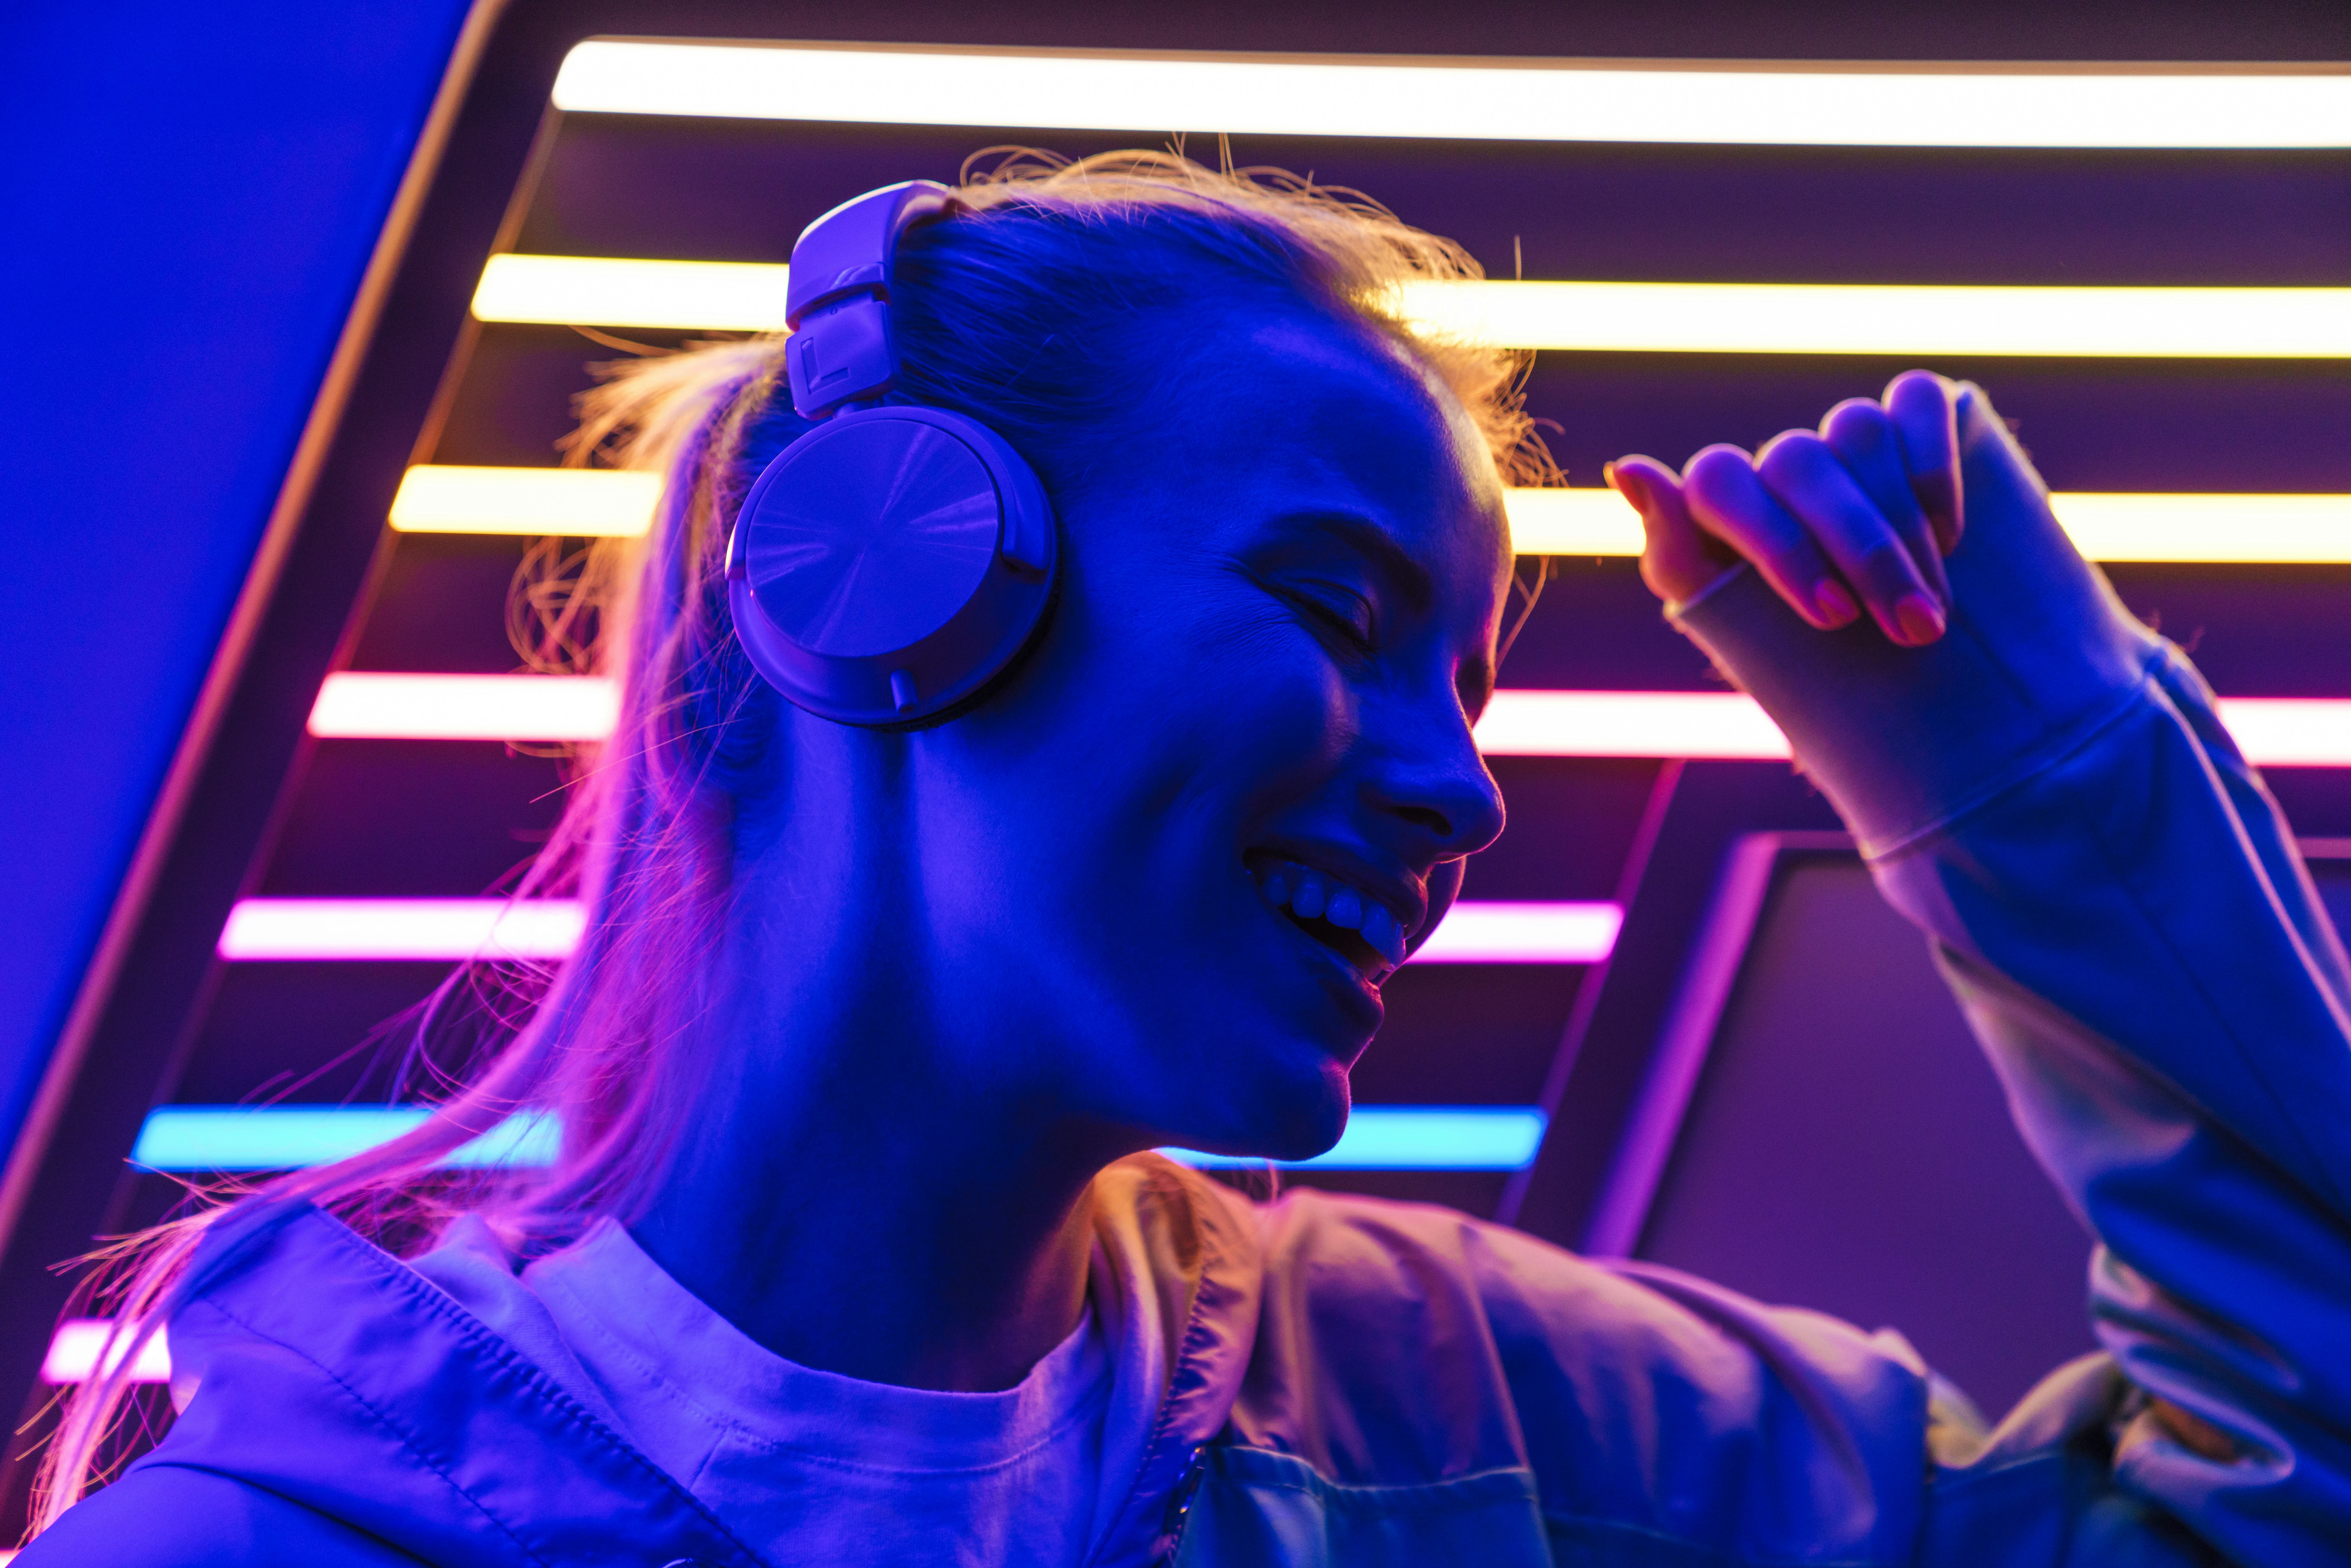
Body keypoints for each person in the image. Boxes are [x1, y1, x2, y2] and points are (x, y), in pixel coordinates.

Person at [22, 152, 2348, 1566]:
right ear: (890, 583)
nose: (1453, 793)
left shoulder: (1471, 1411)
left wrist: (2030, 767)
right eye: (1341, 613)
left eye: (1476, 690)